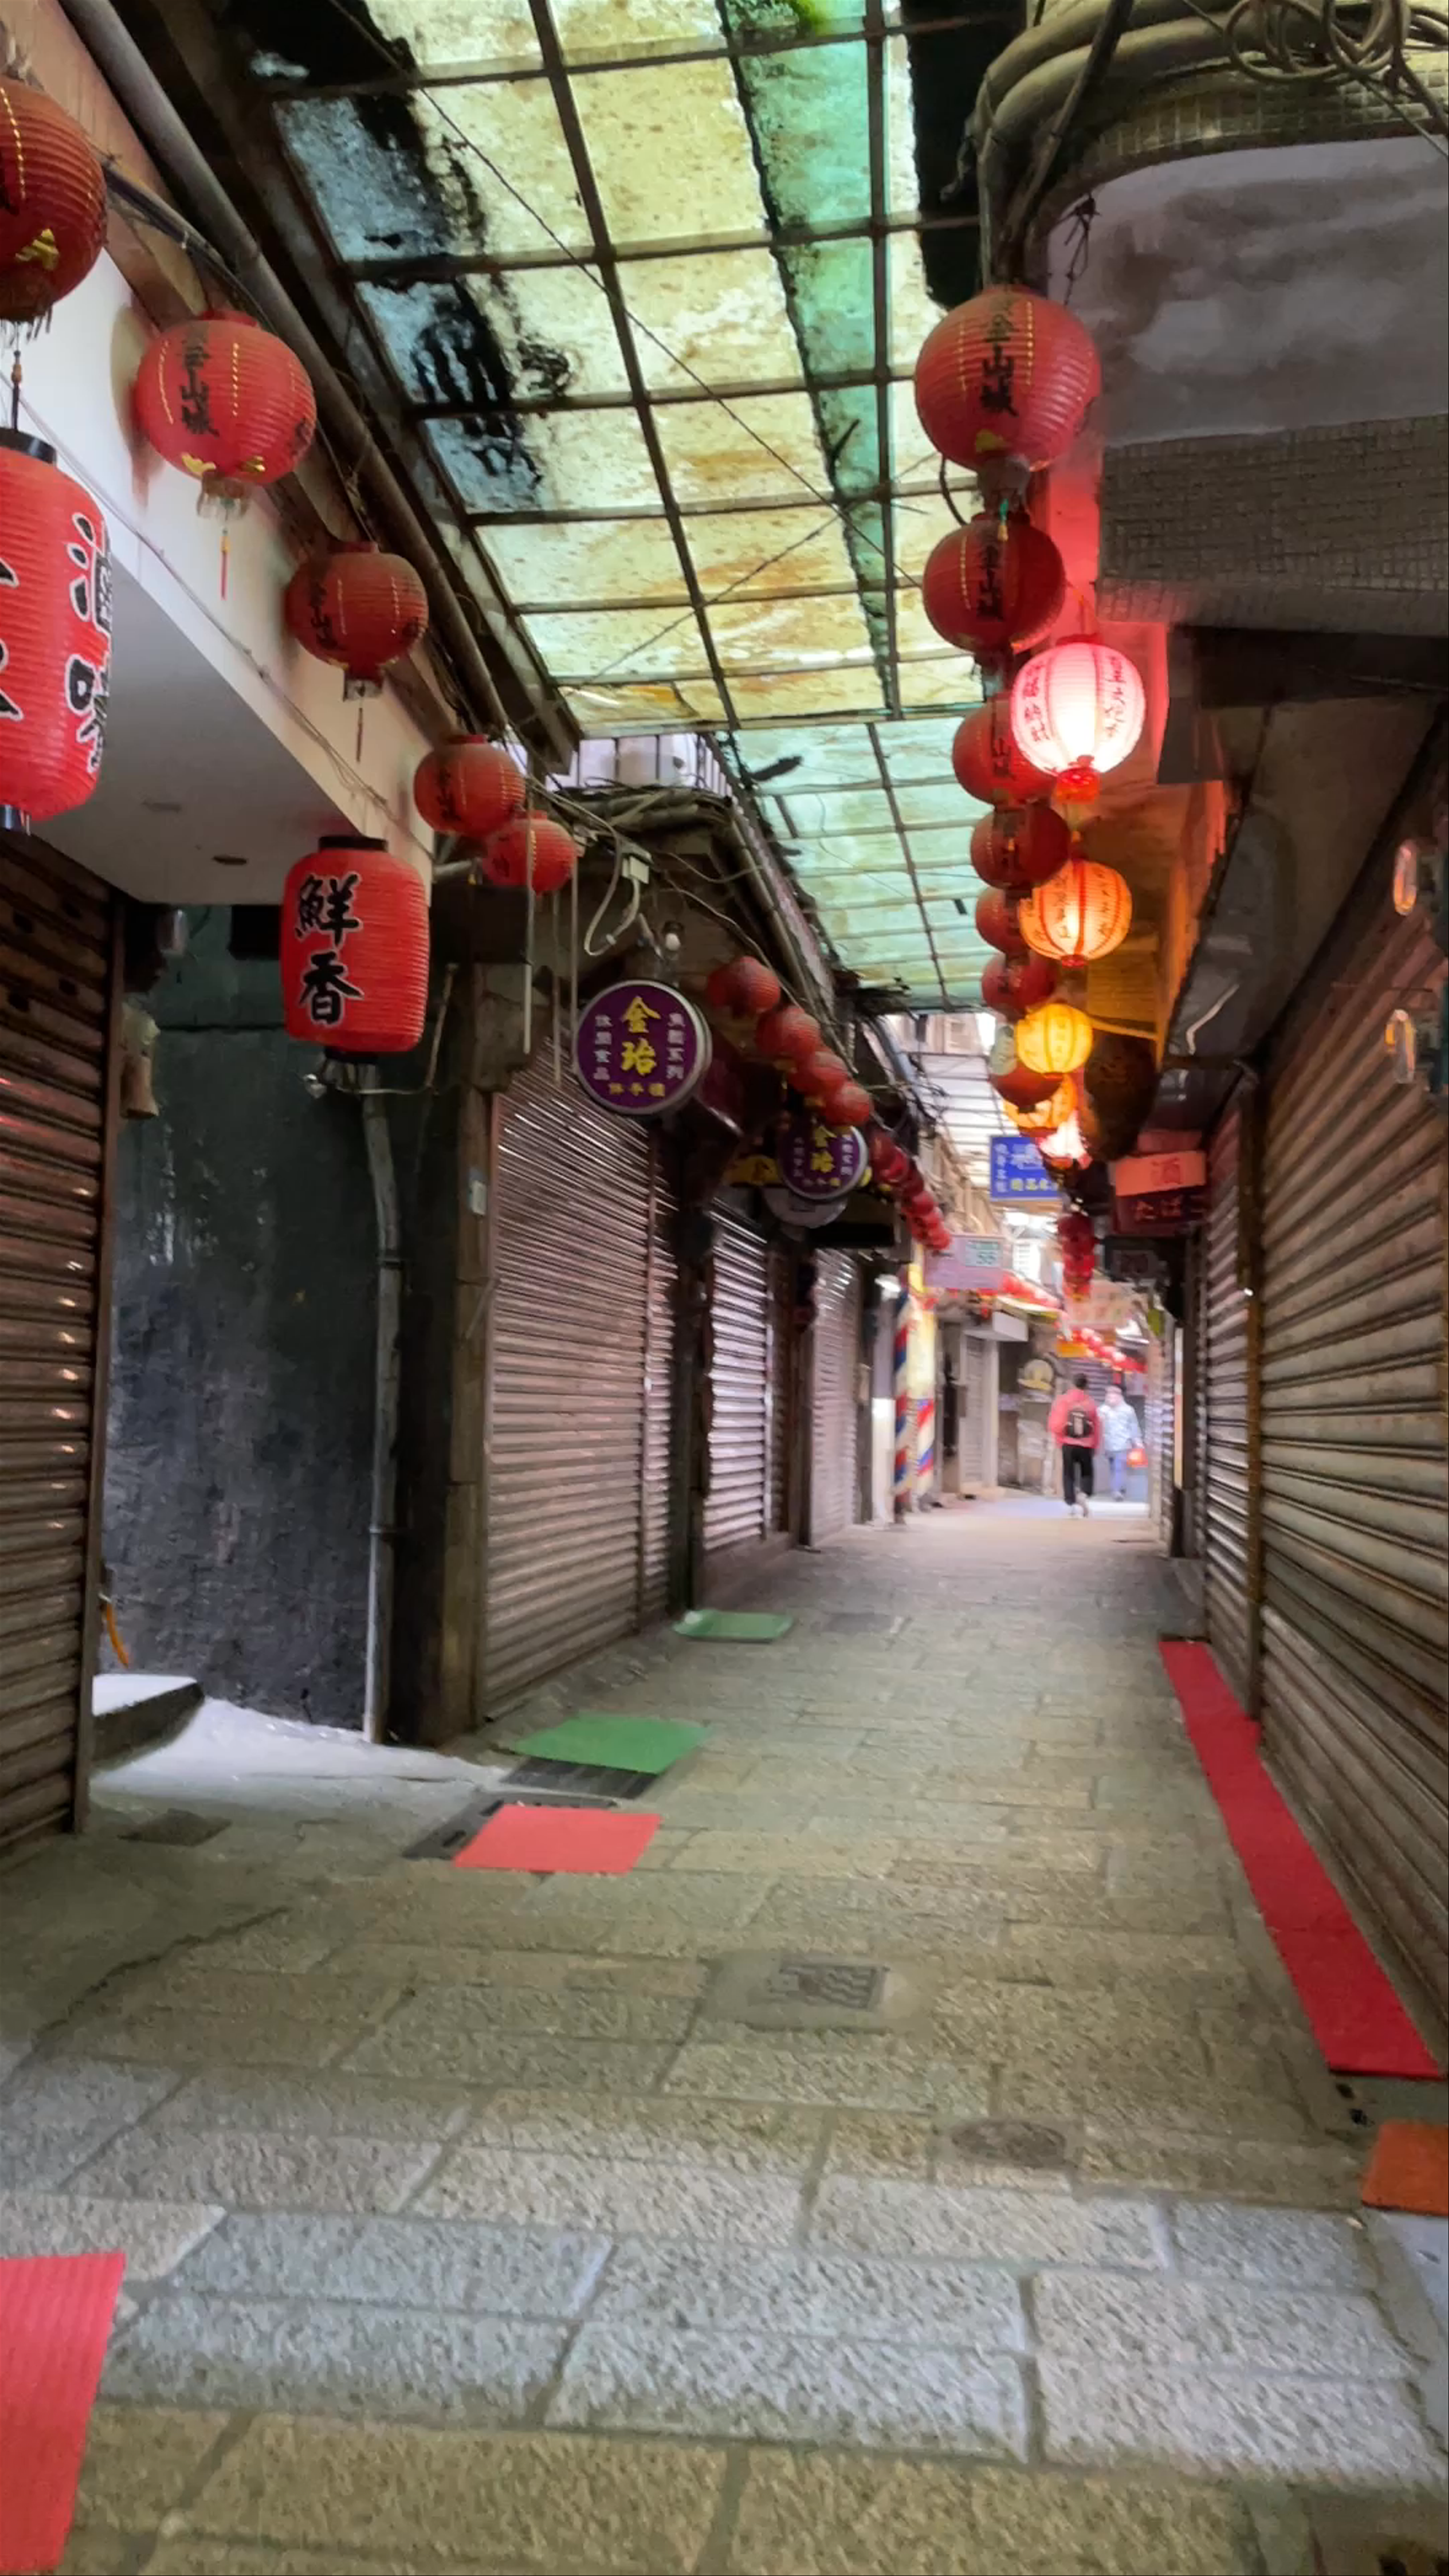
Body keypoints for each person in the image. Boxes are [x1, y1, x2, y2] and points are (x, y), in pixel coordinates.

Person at [1049, 1372, 1100, 1516]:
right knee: (1087, 1472)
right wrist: (1095, 1445)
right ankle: (1084, 1493)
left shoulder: (1064, 1400)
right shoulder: (1090, 1403)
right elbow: (1096, 1426)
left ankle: (1070, 1502)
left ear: (1073, 1384)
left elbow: (1056, 1424)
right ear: (1087, 1386)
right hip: (1086, 1445)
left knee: (1069, 1474)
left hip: (1068, 1444)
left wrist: (1059, 1440)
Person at [1099, 1380, 1143, 1500]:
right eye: (1109, 1394)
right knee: (1114, 1468)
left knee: (1119, 1467)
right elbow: (1098, 1427)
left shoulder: (1128, 1410)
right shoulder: (1103, 1410)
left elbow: (1134, 1426)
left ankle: (1116, 1491)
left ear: (1120, 1396)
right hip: (1108, 1445)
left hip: (1123, 1444)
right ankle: (1120, 1486)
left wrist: (1137, 1441)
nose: (1111, 1396)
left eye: (1114, 1394)